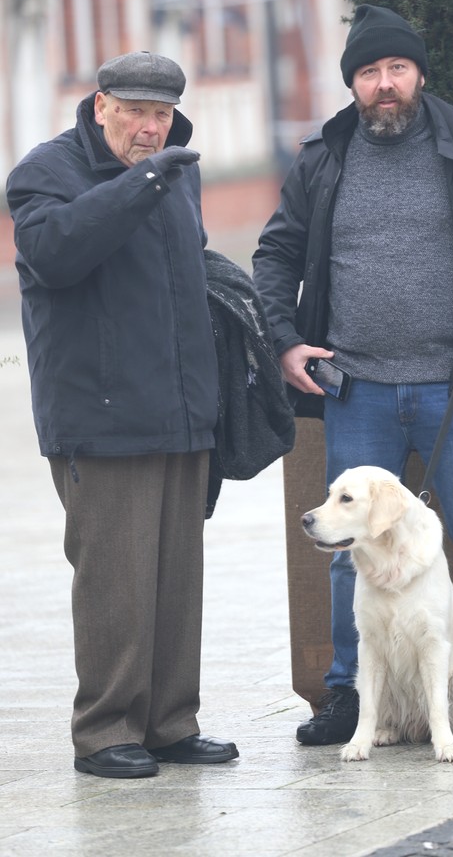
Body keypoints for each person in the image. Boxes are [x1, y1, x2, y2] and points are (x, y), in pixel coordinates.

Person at [253, 4, 453, 745]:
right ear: (353, 84)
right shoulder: (324, 160)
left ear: (419, 73)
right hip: (354, 389)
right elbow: (275, 255)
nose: (383, 85)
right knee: (344, 552)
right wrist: (287, 342)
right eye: (368, 73)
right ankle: (348, 698)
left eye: (396, 69)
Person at [5, 51, 238, 779]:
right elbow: (56, 254)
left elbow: (192, 271)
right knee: (115, 578)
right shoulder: (44, 172)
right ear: (99, 104)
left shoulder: (179, 169)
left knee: (174, 578)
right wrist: (141, 182)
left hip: (178, 409)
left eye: (160, 115)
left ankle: (170, 722)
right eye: (134, 112)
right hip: (99, 417)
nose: (148, 128)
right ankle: (105, 731)